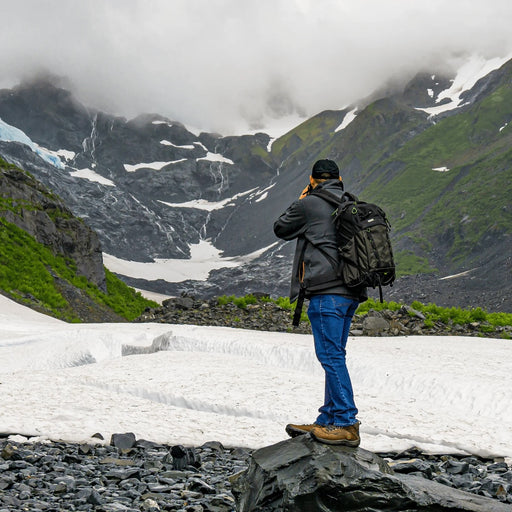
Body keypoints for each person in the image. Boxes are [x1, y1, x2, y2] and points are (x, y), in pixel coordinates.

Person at [273, 159, 367, 446]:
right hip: (351, 292)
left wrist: (304, 197)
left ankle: (346, 423)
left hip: (327, 293)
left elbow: (281, 228)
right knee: (335, 355)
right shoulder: (350, 201)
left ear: (313, 180)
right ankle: (327, 419)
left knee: (330, 357)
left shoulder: (309, 203)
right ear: (339, 178)